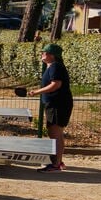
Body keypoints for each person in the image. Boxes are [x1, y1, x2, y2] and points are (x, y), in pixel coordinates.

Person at [16, 42, 73, 171]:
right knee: (57, 133)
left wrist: (37, 92)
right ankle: (59, 161)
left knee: (55, 133)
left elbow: (56, 84)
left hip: (57, 104)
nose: (42, 54)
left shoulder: (55, 66)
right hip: (56, 103)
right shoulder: (52, 66)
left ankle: (56, 164)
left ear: (52, 55)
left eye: (44, 52)